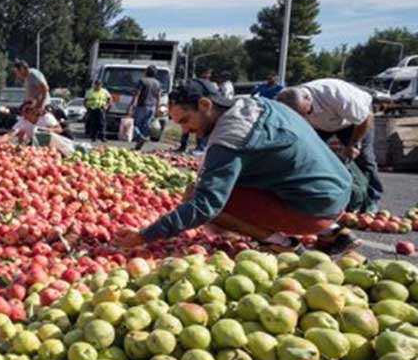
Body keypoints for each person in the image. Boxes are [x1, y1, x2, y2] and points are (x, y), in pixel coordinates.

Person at [113, 79, 356, 254]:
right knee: (222, 182)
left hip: (314, 208)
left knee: (198, 196)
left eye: (186, 120)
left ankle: (281, 243)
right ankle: (331, 231)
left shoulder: (230, 135)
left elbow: (205, 206)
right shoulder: (257, 105)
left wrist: (144, 236)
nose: (185, 130)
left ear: (206, 105)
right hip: (337, 191)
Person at [277, 79, 383, 212]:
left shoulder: (336, 95)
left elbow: (366, 119)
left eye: (307, 111)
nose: (305, 115)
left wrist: (353, 144)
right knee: (309, 157)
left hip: (353, 123)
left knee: (365, 158)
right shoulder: (288, 99)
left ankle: (372, 199)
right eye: (300, 114)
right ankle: (316, 198)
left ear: (308, 98)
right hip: (319, 126)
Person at [128, 65, 162, 150]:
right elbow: (158, 97)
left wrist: (132, 105)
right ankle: (138, 146)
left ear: (146, 71)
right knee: (146, 125)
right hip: (152, 107)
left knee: (135, 124)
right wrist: (157, 109)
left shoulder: (142, 81)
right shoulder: (157, 83)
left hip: (141, 106)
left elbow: (137, 94)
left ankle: (140, 137)